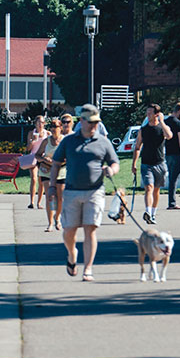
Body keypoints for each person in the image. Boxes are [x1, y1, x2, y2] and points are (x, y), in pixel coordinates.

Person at [52, 104, 121, 282]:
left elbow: (115, 162)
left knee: (90, 229)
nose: (93, 126)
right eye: (90, 122)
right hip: (72, 192)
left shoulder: (103, 142)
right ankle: (72, 253)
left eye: (96, 122)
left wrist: (111, 170)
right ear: (81, 121)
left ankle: (88, 269)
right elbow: (56, 163)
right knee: (69, 231)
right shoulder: (69, 141)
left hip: (95, 191)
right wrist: (52, 186)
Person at [130, 104, 173, 224]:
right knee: (149, 187)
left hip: (159, 163)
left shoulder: (162, 128)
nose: (148, 115)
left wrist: (162, 122)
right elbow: (137, 147)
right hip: (146, 164)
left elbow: (169, 136)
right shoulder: (143, 130)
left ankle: (153, 214)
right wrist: (134, 163)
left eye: (150, 113)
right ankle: (147, 212)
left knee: (156, 190)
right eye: (147, 113)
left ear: (156, 114)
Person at [37, 118, 69, 232]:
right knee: (50, 197)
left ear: (61, 128)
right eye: (51, 126)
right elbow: (37, 155)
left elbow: (70, 155)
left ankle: (57, 218)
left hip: (61, 170)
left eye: (55, 126)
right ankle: (50, 223)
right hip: (46, 170)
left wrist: (61, 160)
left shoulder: (65, 140)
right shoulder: (46, 141)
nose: (53, 129)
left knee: (60, 198)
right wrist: (44, 159)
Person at [163, 103, 180, 211]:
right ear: (179, 110)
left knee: (171, 178)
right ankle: (172, 203)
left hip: (168, 153)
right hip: (177, 154)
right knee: (174, 179)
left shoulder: (165, 122)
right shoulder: (179, 124)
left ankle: (171, 201)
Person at [26, 117, 48, 210]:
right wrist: (33, 140)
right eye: (38, 122)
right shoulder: (31, 133)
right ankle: (31, 202)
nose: (40, 124)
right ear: (35, 123)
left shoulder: (48, 134)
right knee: (34, 179)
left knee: (41, 181)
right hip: (33, 158)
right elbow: (28, 149)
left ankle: (39, 203)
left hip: (42, 158)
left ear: (44, 123)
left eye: (42, 122)